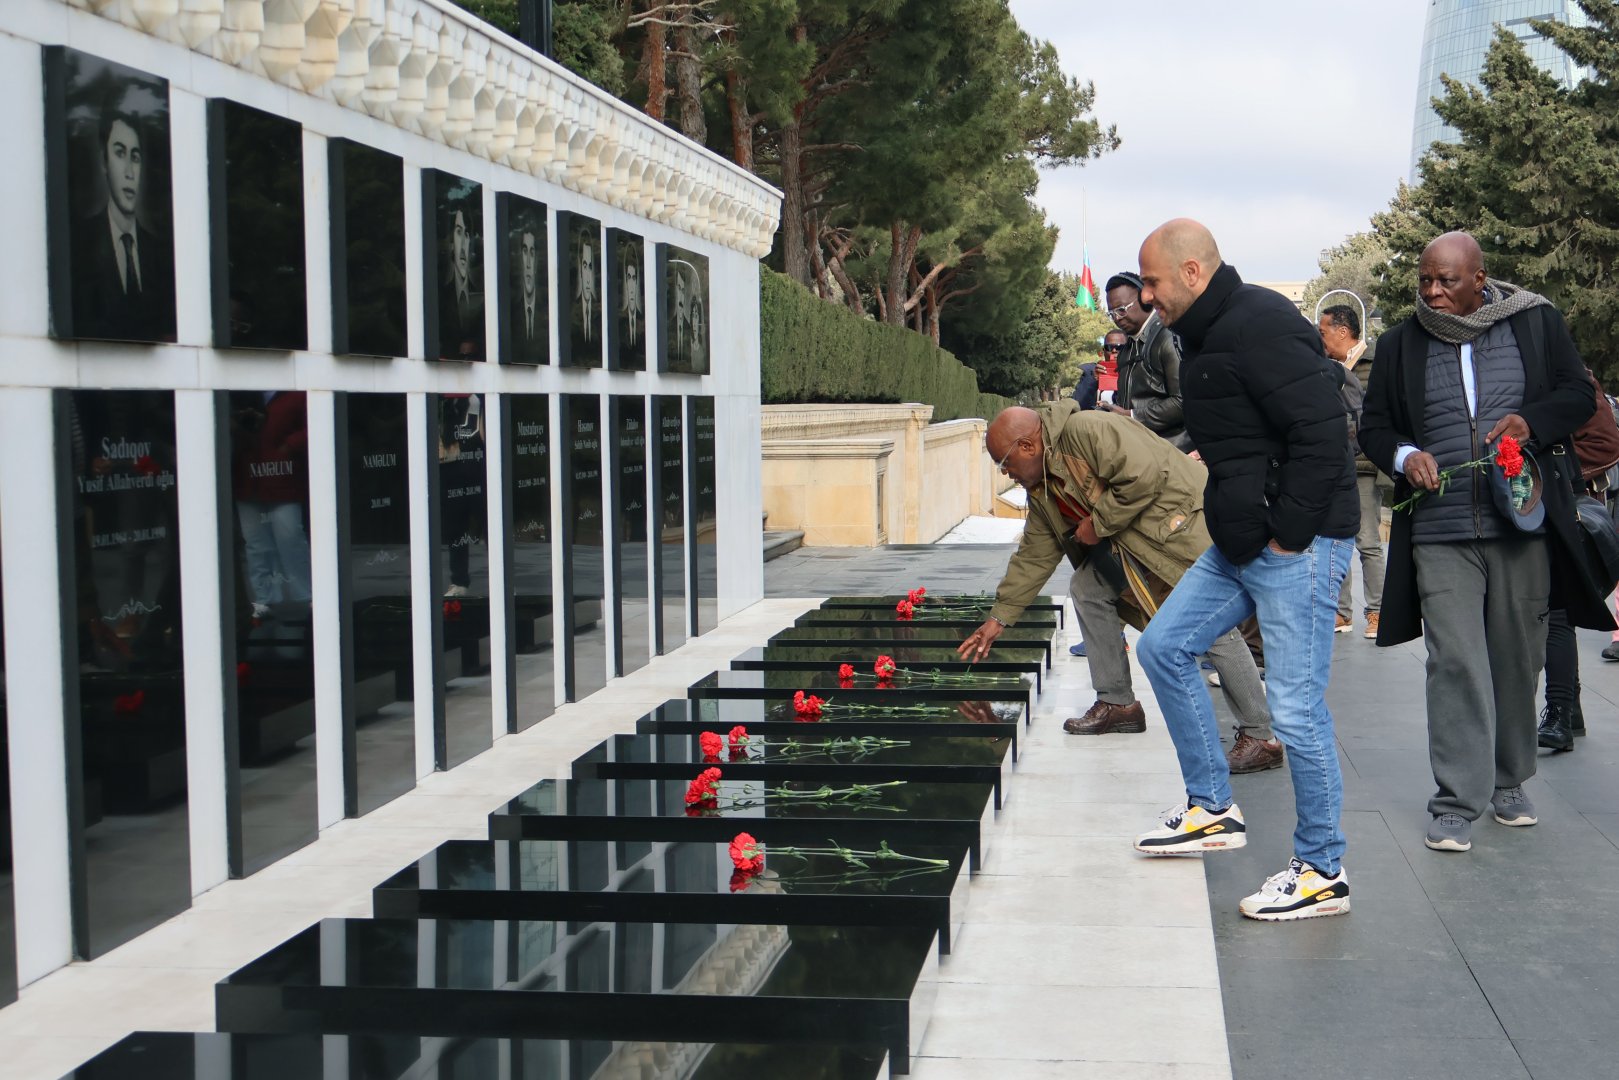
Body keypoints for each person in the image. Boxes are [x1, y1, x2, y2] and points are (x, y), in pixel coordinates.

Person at [1129, 218, 1359, 922]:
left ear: (1192, 272)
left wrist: (1288, 535)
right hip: (1240, 542)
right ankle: (1210, 807)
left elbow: (1321, 432)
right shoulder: (1198, 334)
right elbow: (1242, 427)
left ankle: (1321, 869)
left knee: (1292, 708)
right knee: (1163, 647)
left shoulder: (1259, 320)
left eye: (1153, 282)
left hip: (1300, 543)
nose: (1144, 297)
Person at [1360, 231, 1610, 852]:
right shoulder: (1399, 344)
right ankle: (1455, 799)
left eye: (1446, 281)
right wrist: (1405, 452)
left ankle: (1509, 780)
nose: (1433, 293)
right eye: (1425, 281)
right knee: (1455, 660)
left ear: (1480, 279)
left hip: (1521, 521)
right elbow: (1374, 426)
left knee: (1517, 656)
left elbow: (1579, 396)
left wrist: (1532, 421)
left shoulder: (1535, 322)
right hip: (1440, 530)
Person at [957, 403, 1277, 773]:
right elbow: (1035, 554)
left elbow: (1144, 475)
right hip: (1133, 543)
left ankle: (1261, 736)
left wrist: (1097, 523)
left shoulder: (1088, 430)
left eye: (1005, 463)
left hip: (1176, 532)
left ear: (1028, 446)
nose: (1007, 474)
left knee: (1211, 626)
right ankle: (1118, 705)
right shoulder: (1042, 486)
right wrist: (1000, 617)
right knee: (1088, 588)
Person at [1535, 366, 1619, 751]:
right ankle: (1570, 707)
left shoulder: (1574, 377)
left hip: (1567, 510)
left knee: (1557, 611)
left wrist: (1552, 465)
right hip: (1525, 506)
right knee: (1554, 614)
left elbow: (1606, 444)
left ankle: (1561, 712)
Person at [72, 107, 175, 342]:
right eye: (119, 153)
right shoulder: (80, 243)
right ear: (104, 162)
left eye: (135, 157)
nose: (129, 172)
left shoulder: (161, 253)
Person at [1317, 304, 1386, 639]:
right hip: (1331, 464)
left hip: (1364, 465)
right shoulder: (1324, 367)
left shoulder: (1375, 364)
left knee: (1368, 542)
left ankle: (1376, 612)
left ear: (1343, 331)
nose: (1321, 337)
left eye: (1324, 330)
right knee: (1336, 538)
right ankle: (1341, 613)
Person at [1099, 272, 1193, 451]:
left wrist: (1132, 416)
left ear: (1144, 300)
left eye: (1121, 309)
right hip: (1141, 450)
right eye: (1111, 313)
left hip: (1172, 452)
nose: (1117, 318)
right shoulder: (1127, 347)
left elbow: (1183, 401)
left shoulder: (1168, 337)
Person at [513, 227, 546, 364]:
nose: (528, 264)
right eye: (524, 251)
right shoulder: (512, 309)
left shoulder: (545, 308)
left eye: (532, 253)